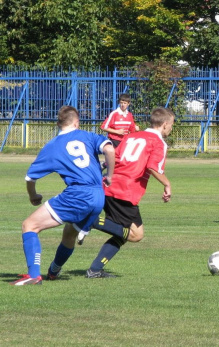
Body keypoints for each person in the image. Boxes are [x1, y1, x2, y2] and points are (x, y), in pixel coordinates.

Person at [10, 106, 115, 285]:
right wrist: (109, 175)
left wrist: (33, 195)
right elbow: (110, 150)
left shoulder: (53, 146)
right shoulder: (87, 136)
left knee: (29, 225)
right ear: (76, 122)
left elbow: (30, 177)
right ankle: (53, 271)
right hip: (98, 197)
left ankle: (34, 275)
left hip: (78, 195)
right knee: (69, 234)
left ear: (59, 124)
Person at [82, 107, 174, 278]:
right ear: (165, 124)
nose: (171, 129)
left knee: (123, 232)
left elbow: (113, 158)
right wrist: (167, 184)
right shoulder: (158, 143)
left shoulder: (131, 136)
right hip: (125, 191)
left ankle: (94, 270)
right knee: (136, 235)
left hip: (109, 185)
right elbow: (153, 167)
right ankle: (92, 221)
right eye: (171, 125)